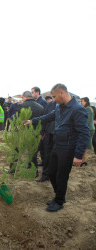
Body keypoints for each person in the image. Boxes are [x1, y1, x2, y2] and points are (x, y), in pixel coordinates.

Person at [26, 84, 90, 212]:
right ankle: (59, 195)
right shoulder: (59, 107)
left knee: (61, 176)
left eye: (54, 96)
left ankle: (59, 201)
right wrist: (32, 121)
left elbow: (84, 133)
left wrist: (78, 155)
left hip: (68, 148)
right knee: (51, 172)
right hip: (57, 145)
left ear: (61, 93)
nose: (53, 99)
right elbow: (48, 117)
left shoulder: (77, 109)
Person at [37, 99, 56, 182]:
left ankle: (54, 175)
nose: (54, 98)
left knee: (56, 157)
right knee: (47, 155)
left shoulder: (67, 106)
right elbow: (45, 118)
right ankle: (45, 175)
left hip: (59, 136)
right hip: (48, 134)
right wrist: (42, 131)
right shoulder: (50, 104)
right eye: (53, 96)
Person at [80, 97, 95, 166]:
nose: (80, 103)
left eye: (81, 101)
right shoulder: (87, 108)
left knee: (84, 144)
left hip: (88, 129)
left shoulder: (88, 109)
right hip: (88, 128)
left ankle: (83, 161)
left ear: (86, 101)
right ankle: (83, 160)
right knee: (84, 144)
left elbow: (87, 120)